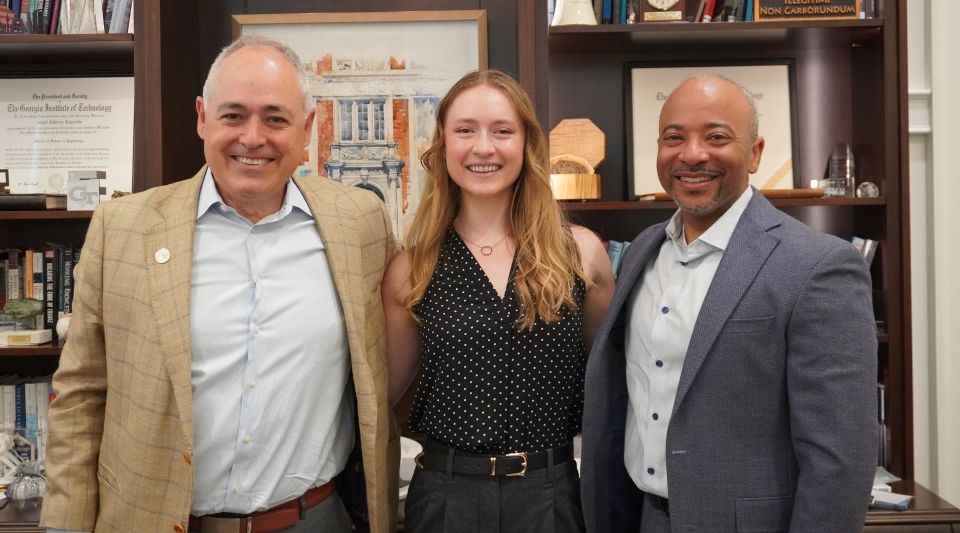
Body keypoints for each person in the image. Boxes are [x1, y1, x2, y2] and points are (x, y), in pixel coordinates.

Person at [40, 34, 399, 533]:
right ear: (202, 118)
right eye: (233, 115)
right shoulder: (122, 228)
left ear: (307, 129)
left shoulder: (360, 222)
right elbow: (81, 394)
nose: (253, 138)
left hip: (313, 519)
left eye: (276, 118)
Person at [580, 74, 878, 533]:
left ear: (755, 152)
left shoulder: (819, 265)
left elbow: (840, 458)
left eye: (717, 137)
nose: (692, 154)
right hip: (640, 518)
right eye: (673, 138)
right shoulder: (642, 248)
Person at [383, 69, 615, 532]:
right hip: (447, 495)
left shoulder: (581, 254)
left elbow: (609, 384)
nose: (483, 147)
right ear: (443, 145)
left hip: (551, 493)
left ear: (526, 144)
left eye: (502, 131)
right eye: (465, 130)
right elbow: (385, 397)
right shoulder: (413, 269)